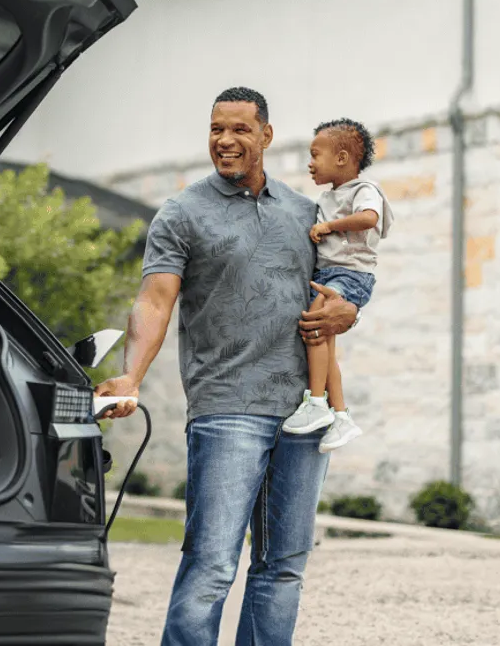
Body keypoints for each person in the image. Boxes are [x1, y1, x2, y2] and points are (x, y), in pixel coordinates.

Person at [96, 87, 359, 646]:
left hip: (303, 414)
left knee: (283, 567)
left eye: (240, 129)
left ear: (266, 135)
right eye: (217, 129)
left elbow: (342, 282)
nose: (225, 140)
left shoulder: (305, 212)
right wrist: (132, 374)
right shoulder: (183, 212)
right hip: (226, 408)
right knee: (213, 565)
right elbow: (154, 300)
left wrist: (348, 308)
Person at [281, 119, 394, 453]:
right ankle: (340, 414)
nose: (310, 163)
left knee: (315, 324)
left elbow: (369, 219)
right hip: (332, 274)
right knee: (324, 343)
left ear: (342, 158)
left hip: (350, 275)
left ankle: (317, 402)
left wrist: (329, 226)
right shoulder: (327, 197)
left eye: (316, 155)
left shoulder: (364, 190)